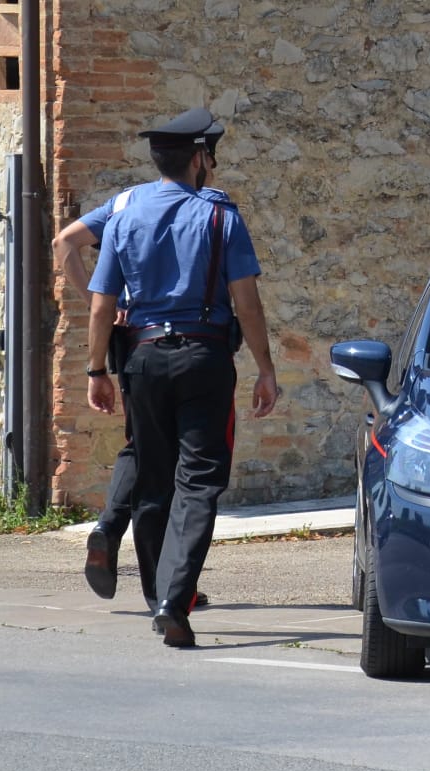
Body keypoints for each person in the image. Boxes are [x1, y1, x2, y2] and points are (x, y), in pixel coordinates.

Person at [85, 107, 281, 647]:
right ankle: (175, 600)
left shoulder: (125, 214)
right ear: (199, 158)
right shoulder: (220, 215)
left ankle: (157, 596)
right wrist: (265, 368)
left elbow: (102, 305)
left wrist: (95, 369)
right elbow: (248, 302)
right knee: (198, 483)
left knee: (152, 479)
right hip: (204, 355)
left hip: (142, 359)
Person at [53, 125, 231, 610]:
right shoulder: (210, 210)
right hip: (186, 341)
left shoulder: (124, 203)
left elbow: (65, 242)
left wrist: (100, 304)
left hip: (134, 345)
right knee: (184, 468)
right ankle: (172, 588)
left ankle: (111, 529)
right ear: (198, 159)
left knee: (145, 445)